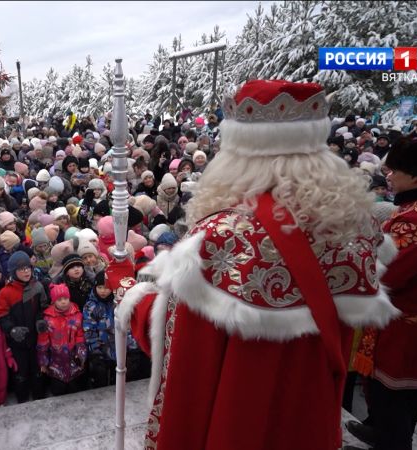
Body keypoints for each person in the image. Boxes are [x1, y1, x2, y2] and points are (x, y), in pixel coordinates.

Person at [117, 80, 400, 449]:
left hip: (236, 424)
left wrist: (131, 296)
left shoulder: (219, 237)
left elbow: (186, 358)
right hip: (309, 414)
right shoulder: (355, 229)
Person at [349, 138, 417, 449]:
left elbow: (385, 274)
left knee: (392, 396)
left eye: (394, 170)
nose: (389, 176)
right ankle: (379, 431)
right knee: (406, 395)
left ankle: (389, 441)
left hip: (403, 325)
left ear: (415, 176)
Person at [0, 251, 48, 403]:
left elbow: (43, 308)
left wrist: (40, 320)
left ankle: (40, 397)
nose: (26, 271)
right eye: (21, 269)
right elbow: (2, 316)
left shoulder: (37, 287)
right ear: (13, 272)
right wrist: (11, 330)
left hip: (36, 339)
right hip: (17, 343)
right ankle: (22, 400)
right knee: (21, 373)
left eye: (28, 267)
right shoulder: (5, 293)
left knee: (38, 370)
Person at [37, 283, 86, 396]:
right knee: (58, 392)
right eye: (59, 300)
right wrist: (43, 362)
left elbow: (80, 337)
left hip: (74, 362)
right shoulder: (48, 318)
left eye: (65, 298)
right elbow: (43, 342)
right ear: (54, 301)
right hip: (56, 363)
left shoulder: (77, 315)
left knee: (74, 392)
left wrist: (81, 355)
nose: (63, 302)